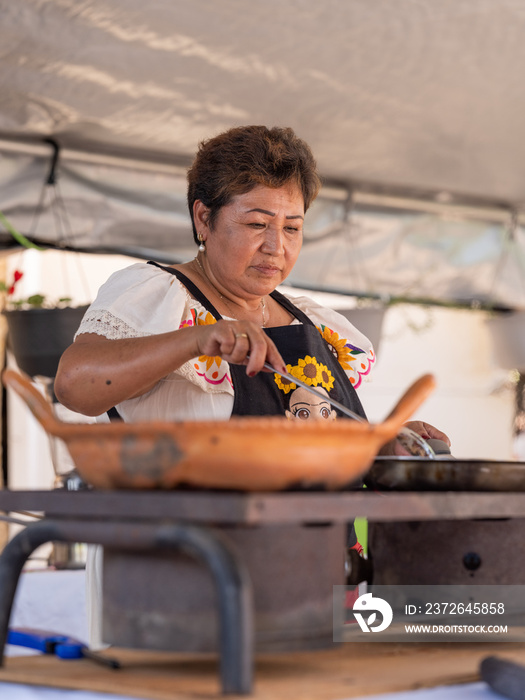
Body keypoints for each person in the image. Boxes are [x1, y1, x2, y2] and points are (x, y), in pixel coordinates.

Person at [54, 124, 449, 645]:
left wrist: (381, 444)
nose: (275, 247)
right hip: (187, 581)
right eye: (257, 223)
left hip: (316, 579)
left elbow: (309, 435)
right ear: (203, 217)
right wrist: (196, 341)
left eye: (292, 228)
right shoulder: (160, 294)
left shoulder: (311, 320)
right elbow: (74, 384)